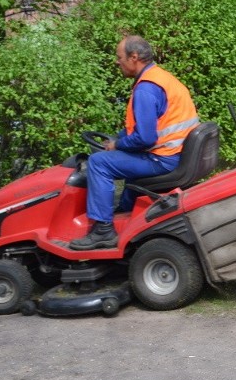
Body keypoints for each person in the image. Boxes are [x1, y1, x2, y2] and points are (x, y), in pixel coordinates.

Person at [70, 36, 199, 250]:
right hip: (175, 153)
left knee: (98, 163)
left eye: (119, 57)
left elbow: (146, 138)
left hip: (164, 159)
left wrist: (118, 145)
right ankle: (125, 213)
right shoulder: (160, 77)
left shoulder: (146, 89)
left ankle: (103, 230)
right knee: (120, 161)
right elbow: (144, 128)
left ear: (134, 57)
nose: (116, 62)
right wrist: (119, 139)